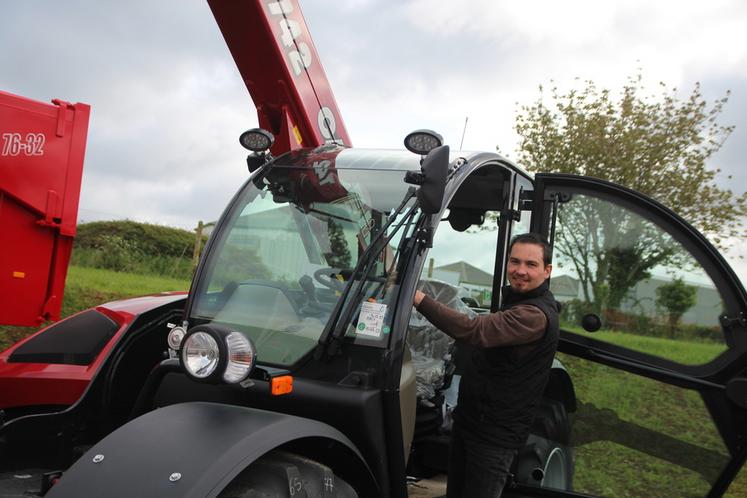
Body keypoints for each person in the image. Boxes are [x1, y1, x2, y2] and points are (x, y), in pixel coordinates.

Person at [413, 233, 560, 498]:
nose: (520, 271)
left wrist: (417, 298)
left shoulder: (534, 315)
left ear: (547, 271)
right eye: (515, 262)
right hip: (471, 422)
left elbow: (474, 330)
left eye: (531, 264)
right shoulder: (517, 301)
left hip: (494, 437)